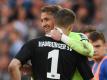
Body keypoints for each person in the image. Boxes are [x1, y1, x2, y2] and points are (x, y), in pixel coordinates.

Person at [8, 5, 93, 80]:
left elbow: (13, 66)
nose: (43, 24)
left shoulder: (33, 43)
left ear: (57, 20)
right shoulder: (75, 47)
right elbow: (87, 75)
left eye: (46, 19)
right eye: (42, 21)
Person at [49, 9, 94, 80]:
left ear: (54, 23)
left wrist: (62, 37)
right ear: (71, 26)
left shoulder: (44, 40)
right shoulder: (79, 37)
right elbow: (89, 51)